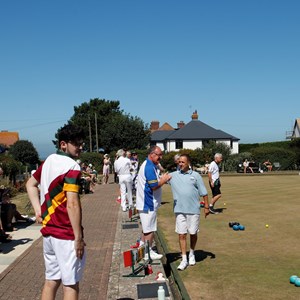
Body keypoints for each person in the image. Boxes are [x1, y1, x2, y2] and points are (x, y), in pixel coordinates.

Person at [26, 124, 86, 300]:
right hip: (65, 232)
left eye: (82, 143)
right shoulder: (72, 166)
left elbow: (30, 184)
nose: (80, 147)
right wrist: (78, 238)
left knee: (51, 280)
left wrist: (38, 211)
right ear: (63, 144)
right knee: (71, 284)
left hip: (49, 232)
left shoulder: (49, 160)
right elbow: (72, 204)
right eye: (76, 143)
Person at [169, 154, 209, 270]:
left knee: (193, 233)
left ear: (188, 163)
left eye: (183, 162)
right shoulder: (173, 175)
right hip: (179, 209)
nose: (180, 164)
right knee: (181, 234)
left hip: (193, 209)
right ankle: (184, 258)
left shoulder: (196, 175)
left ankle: (191, 253)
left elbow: (204, 193)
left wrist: (206, 207)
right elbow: (160, 179)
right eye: (179, 162)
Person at [136, 146, 171, 260]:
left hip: (147, 202)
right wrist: (164, 180)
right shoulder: (149, 167)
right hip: (148, 203)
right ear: (152, 154)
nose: (161, 157)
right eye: (159, 155)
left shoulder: (151, 165)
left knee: (146, 228)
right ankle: (148, 252)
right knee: (149, 229)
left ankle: (143, 247)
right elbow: (154, 186)